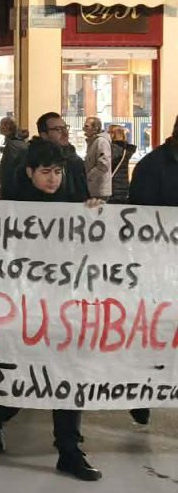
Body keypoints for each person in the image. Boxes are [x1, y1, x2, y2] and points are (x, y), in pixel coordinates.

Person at [0, 138, 102, 481]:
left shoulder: (72, 205)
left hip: (64, 308)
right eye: (46, 172)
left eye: (59, 172)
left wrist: (93, 215)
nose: (53, 178)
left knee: (67, 375)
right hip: (23, 308)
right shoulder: (12, 209)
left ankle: (69, 450)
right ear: (30, 172)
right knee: (22, 380)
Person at [126, 115, 178, 428]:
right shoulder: (151, 167)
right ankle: (140, 394)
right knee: (153, 334)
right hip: (158, 268)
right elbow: (140, 219)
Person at [6, 113, 90, 201]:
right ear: (44, 135)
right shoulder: (27, 158)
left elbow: (82, 193)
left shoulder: (74, 160)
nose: (65, 133)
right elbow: (12, 191)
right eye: (58, 129)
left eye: (65, 127)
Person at [0, 116, 29, 198]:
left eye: (1, 125)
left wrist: (4, 189)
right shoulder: (16, 142)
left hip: (11, 190)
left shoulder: (13, 145)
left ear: (7, 127)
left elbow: (9, 170)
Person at [82, 116, 112, 201]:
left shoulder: (101, 142)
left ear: (95, 128)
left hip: (99, 189)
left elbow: (104, 165)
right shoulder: (93, 142)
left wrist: (89, 175)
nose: (84, 129)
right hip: (94, 188)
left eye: (87, 126)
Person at [108, 125, 136, 203]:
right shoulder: (126, 150)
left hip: (112, 187)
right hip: (124, 186)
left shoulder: (112, 150)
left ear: (113, 134)